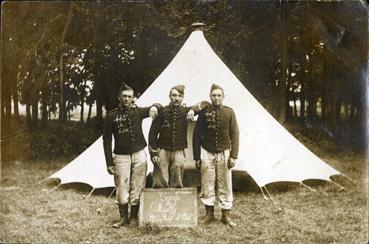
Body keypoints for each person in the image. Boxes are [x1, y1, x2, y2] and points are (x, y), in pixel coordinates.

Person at [103, 83, 160, 228]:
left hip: (139, 154)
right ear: (119, 98)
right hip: (121, 156)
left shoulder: (138, 112)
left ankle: (134, 217)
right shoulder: (111, 116)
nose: (127, 99)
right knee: (122, 186)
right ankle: (124, 218)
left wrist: (154, 107)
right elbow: (107, 140)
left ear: (134, 98)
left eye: (130, 96)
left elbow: (157, 106)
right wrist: (109, 162)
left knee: (137, 185)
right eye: (124, 96)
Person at [193, 84, 239, 227]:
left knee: (225, 183)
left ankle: (226, 215)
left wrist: (233, 156)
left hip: (224, 153)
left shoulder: (229, 112)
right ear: (210, 97)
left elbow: (235, 134)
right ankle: (209, 214)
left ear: (223, 97)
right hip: (207, 152)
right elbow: (196, 136)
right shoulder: (203, 112)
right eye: (214, 95)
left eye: (219, 95)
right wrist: (196, 157)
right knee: (207, 183)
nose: (216, 98)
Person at [148, 85, 205, 188]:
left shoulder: (186, 111)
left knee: (177, 180)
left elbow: (206, 103)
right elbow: (152, 135)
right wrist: (154, 154)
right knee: (160, 180)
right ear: (169, 96)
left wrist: (193, 110)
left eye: (180, 96)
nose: (177, 98)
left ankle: (176, 201)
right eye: (174, 95)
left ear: (183, 97)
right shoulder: (162, 111)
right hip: (163, 150)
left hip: (179, 150)